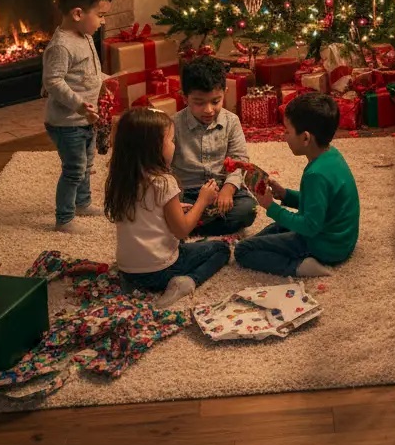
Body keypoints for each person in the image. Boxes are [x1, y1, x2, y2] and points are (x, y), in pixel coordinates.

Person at [104, 107, 230, 307]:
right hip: (159, 271)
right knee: (221, 249)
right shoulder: (164, 182)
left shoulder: (121, 178)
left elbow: (144, 211)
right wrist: (202, 200)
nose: (174, 145)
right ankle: (188, 282)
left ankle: (134, 283)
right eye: (171, 140)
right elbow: (181, 230)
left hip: (127, 271)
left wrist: (173, 206)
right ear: (152, 147)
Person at [236, 93, 359, 278]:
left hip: (326, 247)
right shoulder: (332, 155)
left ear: (306, 138)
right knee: (274, 229)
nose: (284, 136)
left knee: (243, 251)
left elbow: (310, 226)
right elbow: (318, 203)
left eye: (287, 131)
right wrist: (285, 195)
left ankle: (299, 266)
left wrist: (270, 206)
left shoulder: (315, 174)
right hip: (341, 240)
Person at [42, 0, 112, 233]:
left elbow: (87, 72)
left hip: (85, 119)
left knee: (87, 162)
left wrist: (106, 80)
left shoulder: (84, 37)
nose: (103, 22)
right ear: (78, 13)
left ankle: (82, 203)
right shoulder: (61, 46)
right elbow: (54, 82)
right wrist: (80, 105)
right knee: (73, 169)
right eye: (101, 15)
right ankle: (64, 218)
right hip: (67, 122)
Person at [171, 56, 257, 236]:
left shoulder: (231, 121)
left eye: (215, 101)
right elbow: (162, 167)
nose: (208, 110)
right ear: (184, 97)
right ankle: (192, 221)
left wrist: (229, 188)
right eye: (199, 102)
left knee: (248, 208)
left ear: (225, 92)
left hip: (221, 189)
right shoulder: (173, 125)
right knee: (166, 209)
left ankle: (189, 224)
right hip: (187, 192)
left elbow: (239, 160)